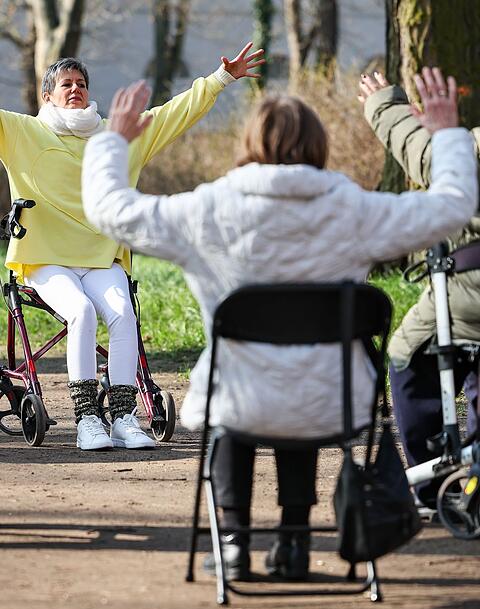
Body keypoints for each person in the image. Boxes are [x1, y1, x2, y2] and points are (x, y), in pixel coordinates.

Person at [82, 68, 476, 580]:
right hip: (332, 402)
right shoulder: (352, 208)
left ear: (248, 143)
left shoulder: (210, 208)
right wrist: (445, 135)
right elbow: (451, 208)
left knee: (239, 408)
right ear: (318, 144)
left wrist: (114, 143)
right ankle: (292, 541)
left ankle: (231, 544)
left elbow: (110, 210)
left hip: (239, 396)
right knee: (302, 397)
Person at [0, 44, 264, 451]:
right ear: (47, 96)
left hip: (103, 255)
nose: (76, 90)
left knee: (124, 315)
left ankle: (124, 418)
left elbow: (170, 115)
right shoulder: (23, 131)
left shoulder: (116, 135)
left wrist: (220, 79)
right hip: (45, 258)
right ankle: (88, 419)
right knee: (82, 312)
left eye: (82, 84)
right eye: (66, 84)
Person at [359, 68, 480, 508]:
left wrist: (386, 107)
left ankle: (434, 485)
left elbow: (430, 159)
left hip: (469, 291)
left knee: (408, 356)